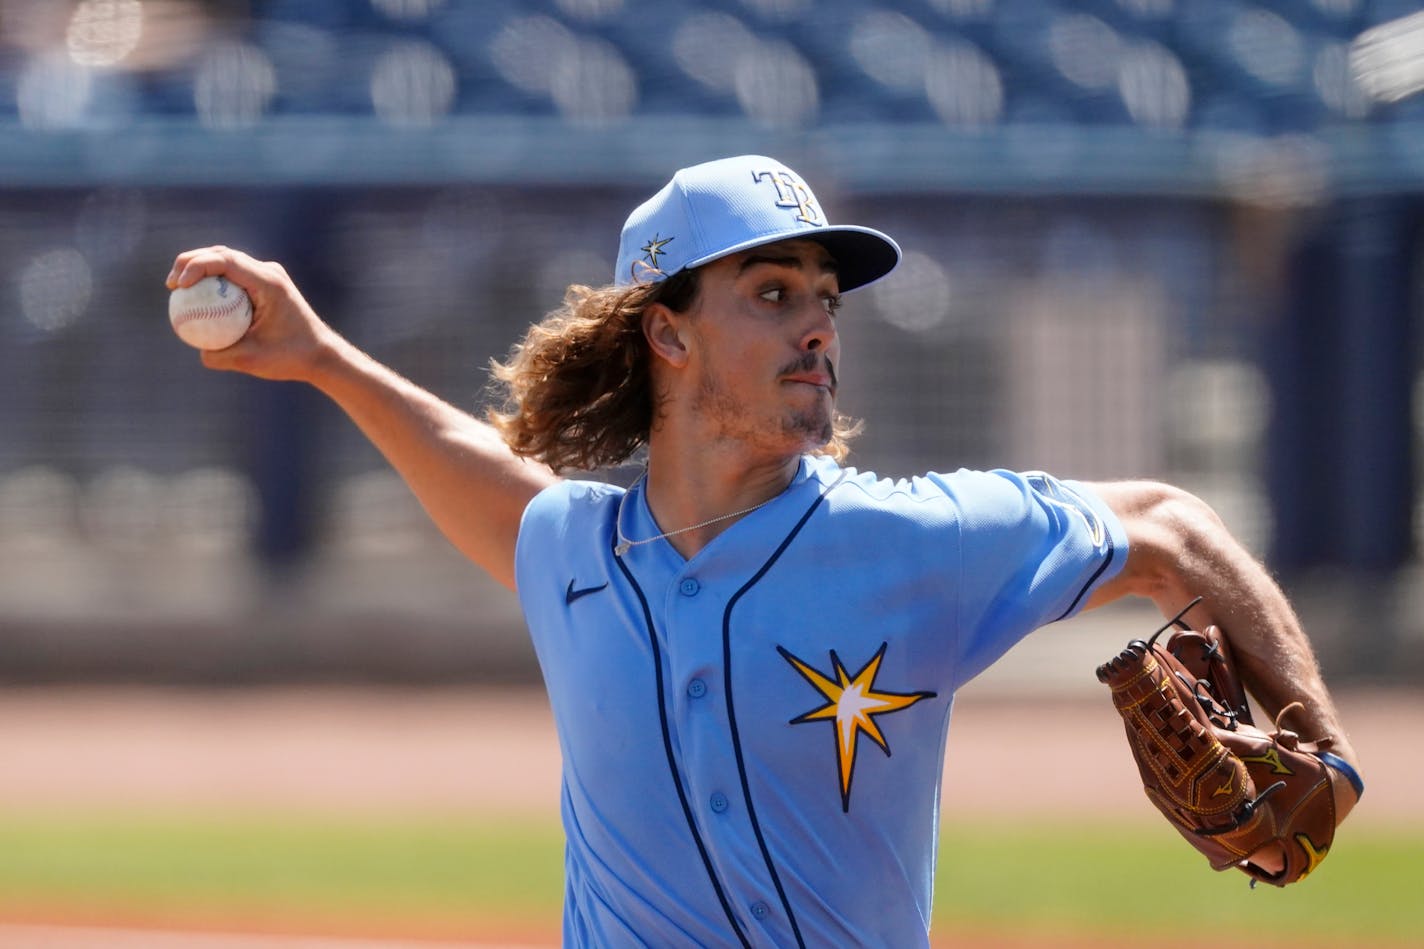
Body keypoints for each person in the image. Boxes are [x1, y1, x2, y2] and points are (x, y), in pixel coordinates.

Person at [167, 154, 1361, 947]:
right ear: (668, 333)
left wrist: (1324, 747)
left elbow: (1168, 526)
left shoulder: (911, 542)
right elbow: (483, 475)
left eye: (824, 301)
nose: (817, 329)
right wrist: (318, 355)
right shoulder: (573, 550)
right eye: (773, 292)